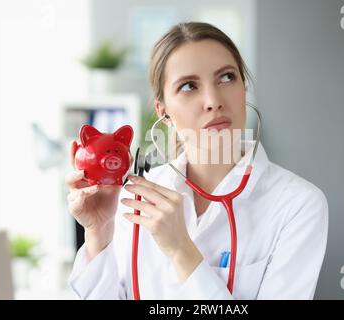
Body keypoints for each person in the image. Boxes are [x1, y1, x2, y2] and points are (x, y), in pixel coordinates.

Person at [66, 22, 328, 300]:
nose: (213, 100)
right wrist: (99, 231)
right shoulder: (133, 198)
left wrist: (182, 250)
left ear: (244, 88)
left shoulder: (298, 204)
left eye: (227, 78)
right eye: (189, 86)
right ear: (163, 111)